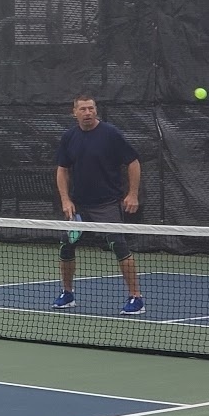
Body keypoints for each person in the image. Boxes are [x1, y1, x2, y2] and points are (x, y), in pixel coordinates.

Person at [52, 94, 144, 315]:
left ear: (96, 110)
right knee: (66, 245)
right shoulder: (69, 137)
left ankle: (136, 298)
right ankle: (67, 293)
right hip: (79, 207)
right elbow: (62, 169)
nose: (87, 113)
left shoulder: (111, 134)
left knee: (118, 246)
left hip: (107, 204)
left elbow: (133, 162)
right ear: (74, 112)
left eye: (91, 108)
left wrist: (132, 194)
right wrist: (66, 199)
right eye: (82, 109)